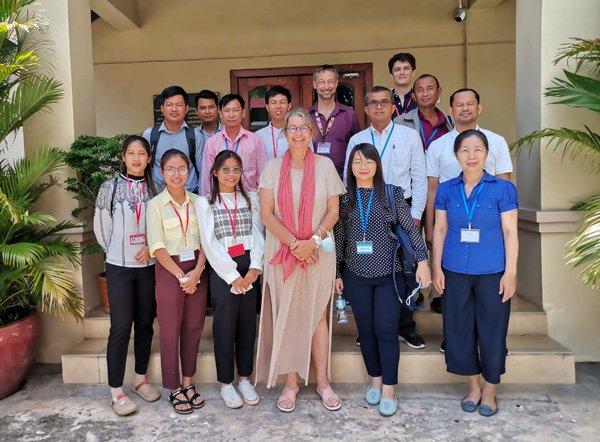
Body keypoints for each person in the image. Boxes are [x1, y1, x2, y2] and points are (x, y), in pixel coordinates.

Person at [255, 108, 346, 413]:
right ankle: (291, 384)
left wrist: (313, 240)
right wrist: (295, 243)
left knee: (318, 317)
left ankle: (322, 382)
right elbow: (266, 213)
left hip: (319, 253)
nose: (297, 134)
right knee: (287, 314)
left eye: (302, 128)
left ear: (311, 132)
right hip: (283, 252)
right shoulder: (271, 168)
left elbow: (333, 211)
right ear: (285, 133)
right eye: (291, 129)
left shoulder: (325, 167)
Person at [334, 143, 430, 416]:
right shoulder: (344, 200)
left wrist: (422, 261)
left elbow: (411, 231)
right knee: (365, 332)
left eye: (368, 162)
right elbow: (340, 240)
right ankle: (374, 379)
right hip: (356, 275)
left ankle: (389, 387)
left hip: (389, 275)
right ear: (350, 168)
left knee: (386, 332)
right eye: (357, 162)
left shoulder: (391, 194)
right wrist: (337, 274)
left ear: (377, 165)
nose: (363, 167)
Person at [432, 129, 518, 417]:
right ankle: (473, 387)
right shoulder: (446, 189)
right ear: (456, 155)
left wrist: (511, 273)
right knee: (459, 330)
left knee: (493, 331)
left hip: (493, 271)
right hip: (455, 270)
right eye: (465, 150)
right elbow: (440, 229)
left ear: (487, 154)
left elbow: (510, 232)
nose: (471, 156)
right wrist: (436, 268)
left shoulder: (503, 189)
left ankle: (491, 391)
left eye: (477, 150)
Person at [346, 85, 428, 350]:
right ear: (366, 109)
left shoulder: (409, 136)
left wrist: (415, 215)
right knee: (369, 267)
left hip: (399, 207)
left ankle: (405, 327)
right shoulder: (357, 140)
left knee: (404, 268)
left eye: (384, 102)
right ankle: (368, 328)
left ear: (393, 106)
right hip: (364, 208)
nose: (378, 107)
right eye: (373, 103)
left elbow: (419, 177)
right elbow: (348, 177)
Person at [426, 88, 513, 322]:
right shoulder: (438, 146)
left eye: (470, 104)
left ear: (479, 108)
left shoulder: (496, 141)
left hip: (489, 233)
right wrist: (432, 229)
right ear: (450, 110)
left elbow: (505, 184)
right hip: (452, 228)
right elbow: (432, 188)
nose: (465, 108)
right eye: (459, 105)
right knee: (454, 295)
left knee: (488, 300)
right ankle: (457, 345)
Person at [93, 135, 160, 416]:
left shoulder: (156, 189)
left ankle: (140, 379)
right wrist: (116, 252)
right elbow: (101, 228)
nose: (136, 158)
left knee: (145, 324)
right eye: (131, 153)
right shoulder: (109, 188)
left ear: (148, 157)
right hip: (119, 268)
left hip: (148, 267)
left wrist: (150, 249)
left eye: (141, 153)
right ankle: (116, 391)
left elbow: (161, 228)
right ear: (123, 156)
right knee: (120, 327)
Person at [197, 150, 265, 409]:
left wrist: (255, 268)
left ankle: (245, 378)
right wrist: (232, 275)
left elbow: (259, 234)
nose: (231, 174)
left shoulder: (251, 199)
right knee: (224, 328)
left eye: (236, 169)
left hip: (250, 268)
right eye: (225, 169)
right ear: (214, 172)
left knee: (247, 327)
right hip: (224, 270)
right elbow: (209, 242)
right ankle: (226, 383)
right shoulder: (206, 203)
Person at [146, 149, 208, 414]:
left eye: (181, 168)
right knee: (170, 330)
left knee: (193, 328)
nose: (176, 174)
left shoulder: (200, 202)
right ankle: (173, 387)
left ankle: (188, 383)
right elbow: (157, 247)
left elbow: (208, 240)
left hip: (197, 269)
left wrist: (197, 270)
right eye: (170, 169)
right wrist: (183, 276)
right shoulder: (156, 205)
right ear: (162, 172)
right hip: (170, 271)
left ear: (189, 170)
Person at [200, 94, 268, 195]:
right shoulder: (212, 143)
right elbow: (207, 177)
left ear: (243, 112)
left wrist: (262, 200)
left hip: (250, 198)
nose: (231, 115)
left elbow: (263, 174)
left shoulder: (255, 140)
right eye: (227, 110)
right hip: (221, 200)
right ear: (220, 113)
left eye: (235, 110)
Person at [142, 86, 202, 193]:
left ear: (186, 109)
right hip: (158, 198)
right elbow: (143, 169)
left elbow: (203, 170)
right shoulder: (150, 135)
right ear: (162, 108)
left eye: (179, 105)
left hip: (190, 197)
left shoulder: (195, 136)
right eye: (169, 105)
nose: (174, 109)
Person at [308, 64, 361, 180]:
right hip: (313, 180)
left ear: (336, 83)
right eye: (321, 82)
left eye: (330, 81)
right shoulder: (307, 116)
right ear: (314, 84)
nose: (326, 87)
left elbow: (358, 148)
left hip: (343, 180)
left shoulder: (349, 114)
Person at [394, 74, 453, 152]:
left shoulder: (450, 122)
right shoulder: (400, 122)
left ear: (439, 92)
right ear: (414, 96)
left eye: (430, 89)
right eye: (420, 90)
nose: (425, 94)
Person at [256, 86, 292, 160]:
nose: (278, 106)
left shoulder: (299, 133)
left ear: (289, 106)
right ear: (267, 107)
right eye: (273, 102)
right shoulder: (258, 136)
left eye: (282, 102)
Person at [388, 53, 417, 119]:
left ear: (413, 73)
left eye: (406, 68)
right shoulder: (385, 101)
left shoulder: (420, 99)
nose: (402, 73)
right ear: (391, 75)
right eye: (397, 69)